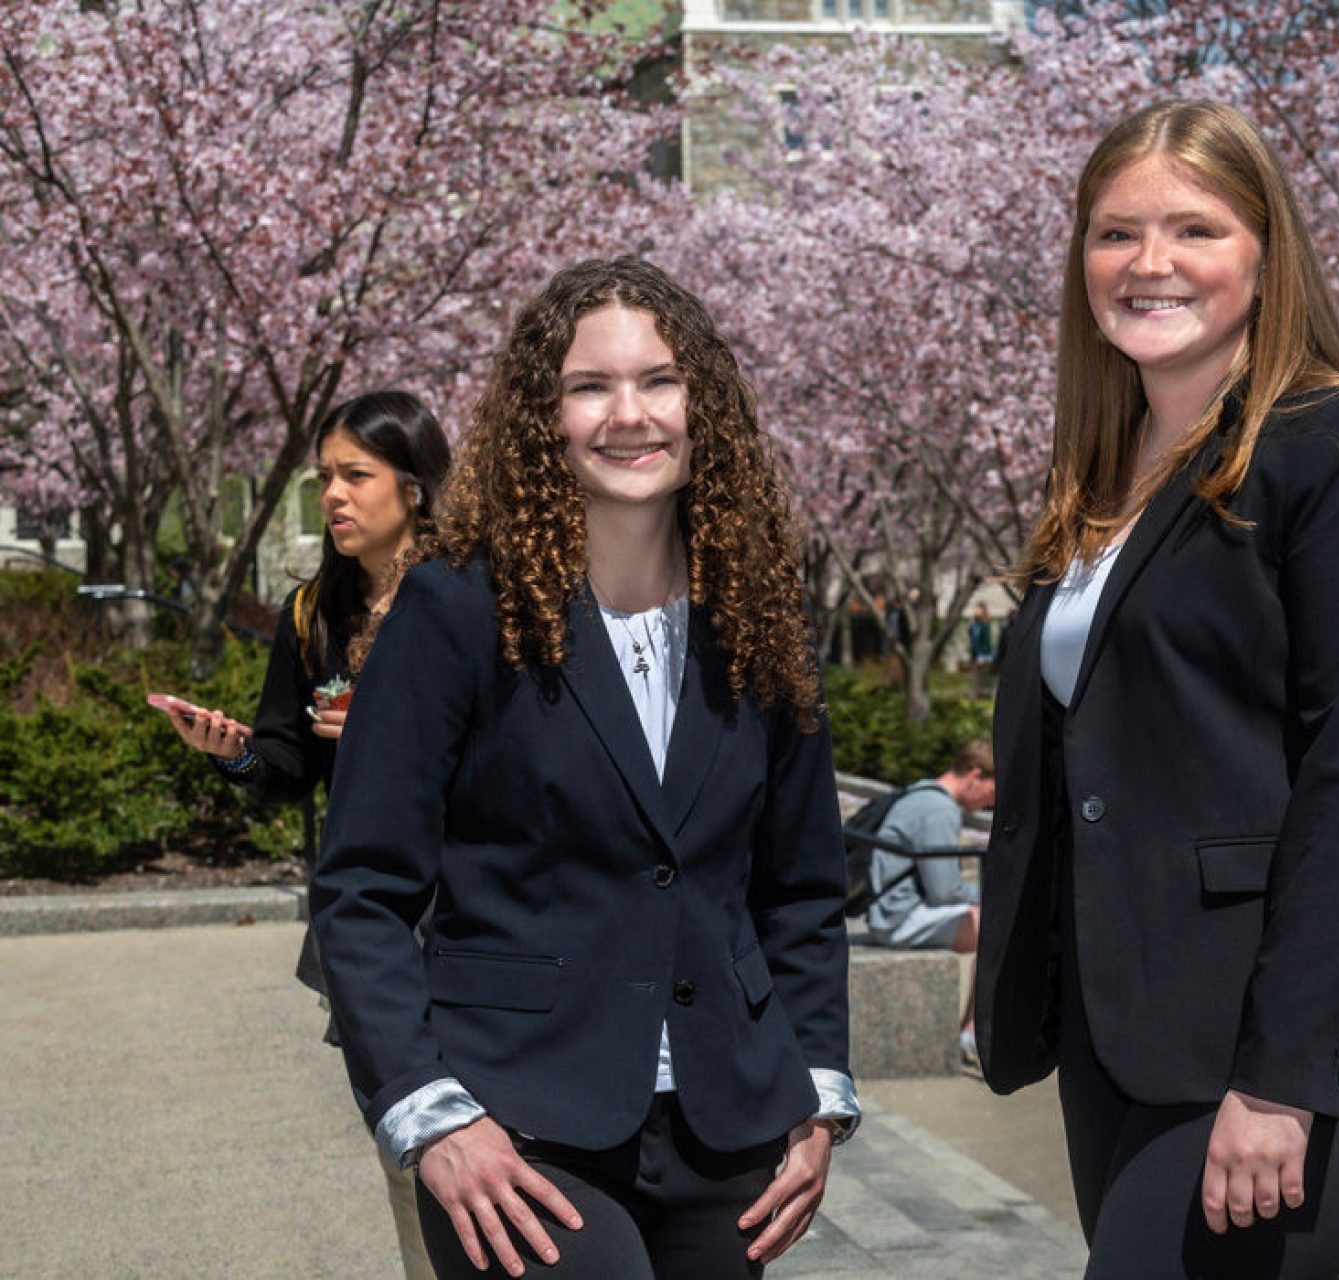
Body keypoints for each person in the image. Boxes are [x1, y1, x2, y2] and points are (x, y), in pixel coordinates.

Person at [974, 100, 1339, 1277]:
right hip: (1129, 1034)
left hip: (1292, 1051)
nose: (1149, 263)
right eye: (1115, 234)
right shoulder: (1097, 482)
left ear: (1266, 253)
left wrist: (1282, 1077)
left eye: (1194, 228)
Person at [309, 257, 856, 1279]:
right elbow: (361, 889)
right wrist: (431, 1116)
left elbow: (805, 890)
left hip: (725, 1126)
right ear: (540, 416)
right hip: (517, 1122)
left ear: (704, 405)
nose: (629, 414)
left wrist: (819, 1092)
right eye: (589, 386)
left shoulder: (760, 613)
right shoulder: (455, 608)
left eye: (658, 380)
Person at [162, 389, 450, 1280]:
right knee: (410, 1136)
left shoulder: (471, 603)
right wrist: (234, 757)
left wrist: (388, 726)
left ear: (414, 487)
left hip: (482, 911)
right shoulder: (308, 611)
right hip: (373, 921)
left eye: (356, 476)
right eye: (325, 476)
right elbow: (287, 763)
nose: (333, 495)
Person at [865, 739, 995, 1062]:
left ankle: (972, 1029)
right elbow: (945, 892)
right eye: (991, 793)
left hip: (887, 910)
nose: (989, 803)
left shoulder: (921, 793)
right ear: (975, 776)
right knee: (998, 924)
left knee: (992, 917)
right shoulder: (939, 810)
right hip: (898, 918)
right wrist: (996, 895)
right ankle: (973, 1032)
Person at [967, 603, 997, 696]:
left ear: (983, 611)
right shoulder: (974, 624)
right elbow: (972, 638)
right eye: (975, 609)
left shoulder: (985, 624)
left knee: (984, 679)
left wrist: (983, 656)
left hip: (984, 656)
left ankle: (985, 697)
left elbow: (987, 641)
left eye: (978, 609)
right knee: (975, 678)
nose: (976, 611)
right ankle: (976, 696)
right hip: (974, 654)